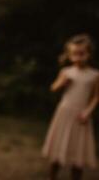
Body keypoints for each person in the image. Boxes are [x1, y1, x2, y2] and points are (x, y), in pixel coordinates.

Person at [42, 34, 99, 180]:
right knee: (57, 152)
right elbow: (53, 88)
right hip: (64, 113)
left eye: (82, 53)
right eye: (74, 53)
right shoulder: (66, 72)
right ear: (69, 54)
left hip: (81, 116)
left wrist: (88, 111)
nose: (78, 57)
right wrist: (62, 84)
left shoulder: (95, 75)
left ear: (89, 54)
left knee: (78, 155)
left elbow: (96, 97)